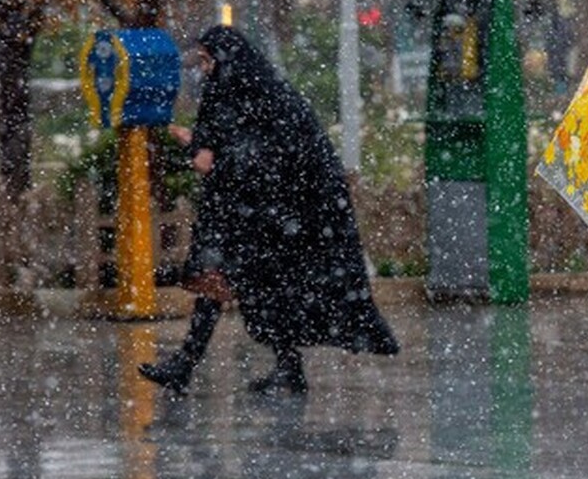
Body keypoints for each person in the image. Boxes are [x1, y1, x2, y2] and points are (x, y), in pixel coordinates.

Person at [140, 25, 398, 394]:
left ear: (226, 61)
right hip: (256, 210)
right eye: (200, 60)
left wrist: (207, 156)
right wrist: (195, 144)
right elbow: (225, 146)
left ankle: (193, 364)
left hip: (282, 211)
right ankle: (278, 367)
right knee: (246, 283)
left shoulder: (264, 97)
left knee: (243, 282)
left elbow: (255, 156)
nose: (203, 69)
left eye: (207, 60)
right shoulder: (240, 91)